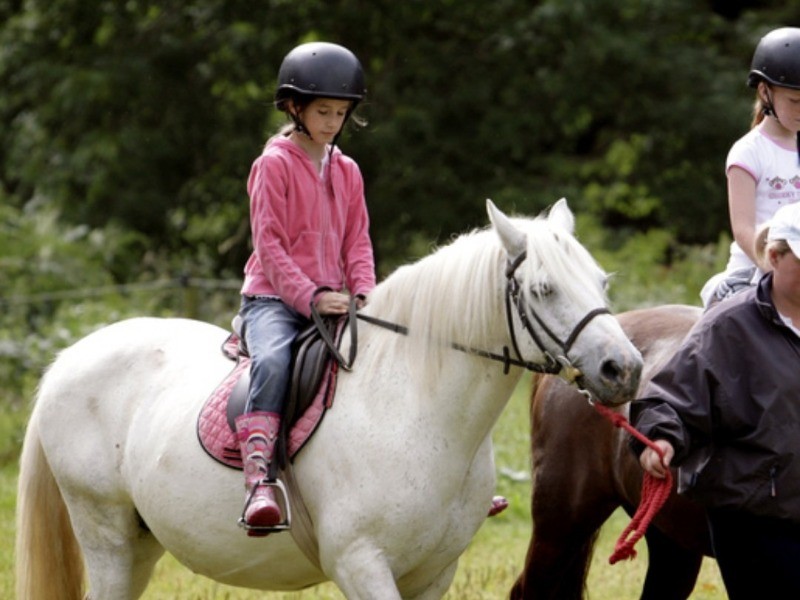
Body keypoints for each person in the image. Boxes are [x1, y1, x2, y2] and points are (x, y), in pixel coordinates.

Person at [234, 41, 376, 536]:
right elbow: (269, 247)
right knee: (272, 361)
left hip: (336, 299)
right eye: (323, 111)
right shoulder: (272, 165)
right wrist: (311, 297)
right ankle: (259, 481)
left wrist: (363, 294)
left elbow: (358, 240)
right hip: (273, 300)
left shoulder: (348, 171)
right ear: (294, 107)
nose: (333, 121)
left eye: (341, 112)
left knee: (385, 358)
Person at [631, 202, 800, 599]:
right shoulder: (729, 326)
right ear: (774, 257)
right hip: (756, 517)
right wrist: (661, 437)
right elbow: (671, 398)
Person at [700, 27, 800, 308]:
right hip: (758, 270)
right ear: (765, 92)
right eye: (795, 101)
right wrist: (780, 271)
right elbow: (744, 232)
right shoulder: (748, 152)